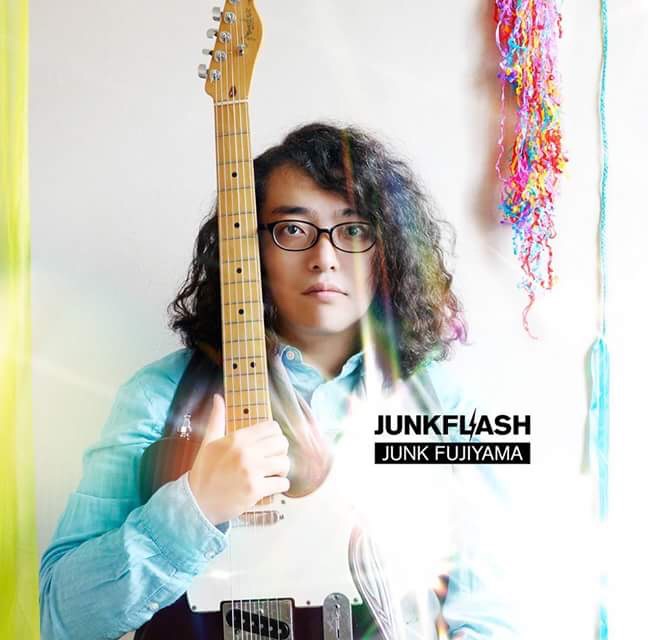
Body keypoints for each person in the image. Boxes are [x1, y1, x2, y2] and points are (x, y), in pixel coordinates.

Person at [39, 123, 513, 639]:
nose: (324, 258)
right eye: (292, 229)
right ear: (247, 248)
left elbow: (489, 617)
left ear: (389, 250)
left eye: (354, 230)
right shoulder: (157, 397)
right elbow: (62, 618)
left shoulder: (448, 408)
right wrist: (194, 508)